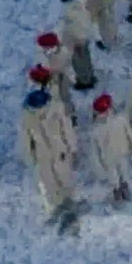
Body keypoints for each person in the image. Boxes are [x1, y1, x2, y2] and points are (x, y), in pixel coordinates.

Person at [19, 89, 77, 221]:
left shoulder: (57, 110)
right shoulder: (27, 118)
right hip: (42, 155)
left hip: (60, 150)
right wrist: (30, 158)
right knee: (49, 181)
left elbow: (67, 129)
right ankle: (58, 205)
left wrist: (72, 146)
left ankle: (69, 201)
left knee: (64, 175)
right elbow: (25, 141)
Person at [90, 92, 132, 204]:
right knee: (114, 178)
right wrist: (98, 167)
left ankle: (124, 191)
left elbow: (131, 136)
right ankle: (118, 194)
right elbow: (95, 152)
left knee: (124, 173)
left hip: (121, 154)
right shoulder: (96, 130)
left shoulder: (121, 120)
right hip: (109, 158)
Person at [56, 0, 97, 90]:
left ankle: (85, 81)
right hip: (84, 38)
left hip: (76, 41)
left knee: (79, 62)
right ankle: (89, 76)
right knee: (86, 59)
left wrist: (64, 40)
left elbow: (70, 29)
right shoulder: (80, 3)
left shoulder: (69, 10)